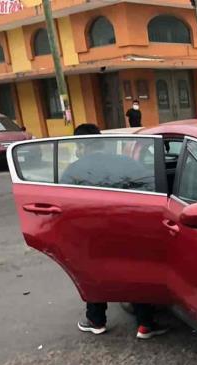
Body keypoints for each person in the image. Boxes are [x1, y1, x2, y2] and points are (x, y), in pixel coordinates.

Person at [70, 123, 167, 340]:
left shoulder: (74, 170)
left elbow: (63, 201)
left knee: (94, 273)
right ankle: (145, 324)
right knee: (134, 272)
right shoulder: (126, 163)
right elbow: (152, 185)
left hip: (92, 232)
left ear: (79, 145)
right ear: (102, 142)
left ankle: (96, 321)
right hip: (128, 226)